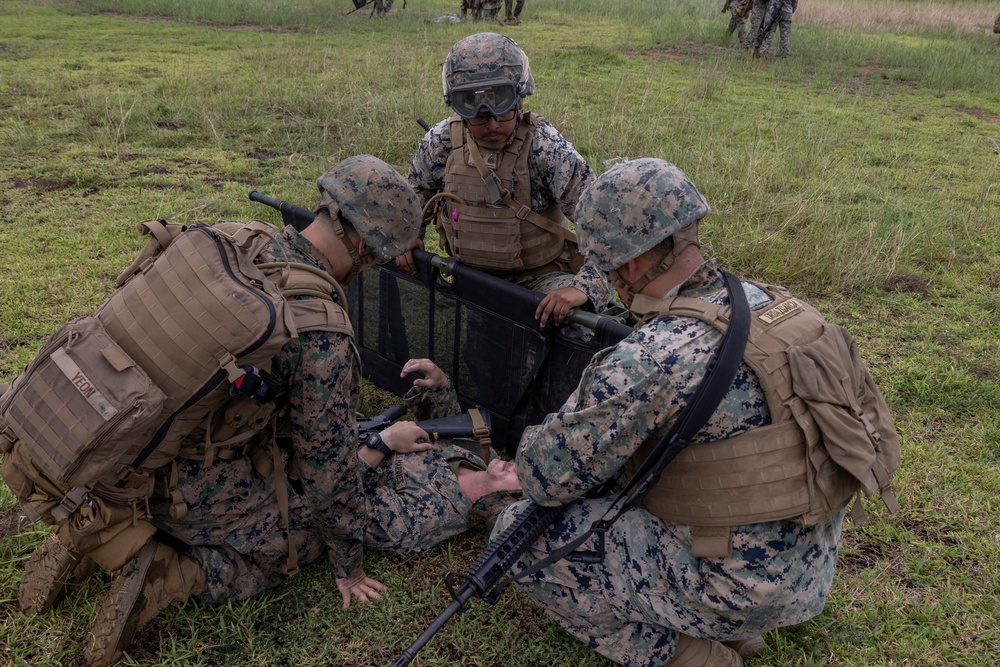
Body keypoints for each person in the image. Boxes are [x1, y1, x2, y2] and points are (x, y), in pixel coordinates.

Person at [5, 155, 423, 667]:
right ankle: (172, 574)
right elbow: (328, 470)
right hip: (176, 483)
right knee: (300, 536)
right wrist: (349, 567)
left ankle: (86, 529)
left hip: (102, 440)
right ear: (364, 247)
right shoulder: (324, 335)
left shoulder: (235, 239)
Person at [492, 158, 899, 666]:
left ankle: (699, 651)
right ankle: (732, 622)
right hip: (810, 567)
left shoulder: (653, 358)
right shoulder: (783, 308)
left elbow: (547, 476)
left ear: (631, 264)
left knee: (516, 536)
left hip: (734, 583)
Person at [401, 32, 614, 332]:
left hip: (541, 280)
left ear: (520, 98)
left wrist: (585, 288)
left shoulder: (546, 148)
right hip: (471, 279)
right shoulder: (442, 143)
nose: (491, 124)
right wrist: (407, 238)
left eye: (501, 107)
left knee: (571, 332)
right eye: (474, 110)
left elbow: (607, 228)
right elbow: (413, 200)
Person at [362, 358, 522, 554]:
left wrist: (381, 444)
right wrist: (438, 387)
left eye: (522, 478)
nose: (516, 465)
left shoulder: (427, 517)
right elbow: (445, 435)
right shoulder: (484, 456)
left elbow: (339, 506)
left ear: (512, 505)